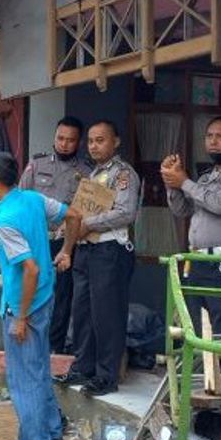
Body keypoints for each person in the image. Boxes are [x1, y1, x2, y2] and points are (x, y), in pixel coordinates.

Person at [0, 152, 81, 440]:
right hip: (45, 296)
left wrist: (21, 317)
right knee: (38, 370)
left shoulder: (5, 219)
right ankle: (51, 433)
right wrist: (67, 251)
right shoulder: (34, 199)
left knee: (24, 380)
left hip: (25, 303)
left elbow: (30, 269)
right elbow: (74, 215)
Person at [160, 115, 221, 382]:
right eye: (209, 136)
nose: (213, 142)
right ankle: (200, 393)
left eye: (220, 136)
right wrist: (172, 185)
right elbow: (182, 210)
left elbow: (218, 204)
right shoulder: (206, 176)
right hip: (199, 261)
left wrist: (183, 182)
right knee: (197, 330)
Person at [54, 120, 139, 396]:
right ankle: (83, 367)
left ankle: (106, 376)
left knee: (107, 314)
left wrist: (91, 223)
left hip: (110, 249)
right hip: (86, 250)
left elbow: (126, 212)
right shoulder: (91, 175)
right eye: (90, 141)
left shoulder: (124, 174)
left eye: (100, 140)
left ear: (116, 142)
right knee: (82, 312)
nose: (94, 145)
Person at [19, 116, 90, 355]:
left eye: (70, 140)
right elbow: (22, 201)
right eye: (60, 138)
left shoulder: (86, 173)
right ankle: (29, 345)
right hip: (36, 241)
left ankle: (54, 349)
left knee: (61, 298)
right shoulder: (36, 165)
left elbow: (85, 212)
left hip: (66, 244)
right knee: (32, 292)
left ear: (78, 143)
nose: (64, 144)